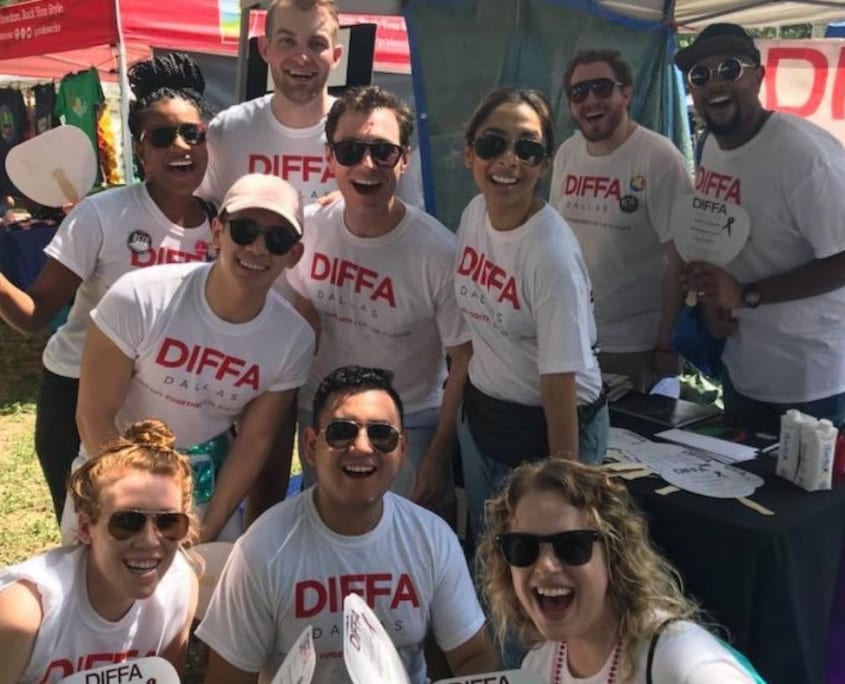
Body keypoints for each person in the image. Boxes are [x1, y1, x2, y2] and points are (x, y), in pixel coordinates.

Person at [0, 53, 213, 523]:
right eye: (162, 136)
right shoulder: (102, 215)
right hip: (77, 393)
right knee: (89, 532)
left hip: (166, 401)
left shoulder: (225, 225)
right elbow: (35, 315)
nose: (180, 146)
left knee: (160, 529)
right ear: (140, 150)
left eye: (192, 133)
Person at [196, 365, 500, 683]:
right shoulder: (261, 548)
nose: (363, 447)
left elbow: (473, 655)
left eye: (381, 435)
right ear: (311, 446)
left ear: (402, 449)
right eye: (342, 432)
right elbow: (226, 678)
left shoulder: (433, 538)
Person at [70, 173, 315, 544]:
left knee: (206, 581)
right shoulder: (139, 298)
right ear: (217, 232)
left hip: (205, 485)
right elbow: (94, 416)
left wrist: (205, 530)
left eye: (277, 239)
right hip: (112, 470)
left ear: (294, 255)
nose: (258, 248)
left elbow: (254, 442)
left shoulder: (293, 338)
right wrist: (135, 510)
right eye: (244, 230)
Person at [287, 85, 471, 515]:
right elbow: (296, 311)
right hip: (323, 415)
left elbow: (464, 358)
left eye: (383, 151)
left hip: (408, 421)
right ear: (329, 158)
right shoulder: (308, 228)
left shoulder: (438, 253)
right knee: (327, 528)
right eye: (350, 151)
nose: (366, 165)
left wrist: (438, 453)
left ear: (404, 159)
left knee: (402, 538)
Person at [676, 23, 845, 434]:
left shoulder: (804, 156)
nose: (715, 83)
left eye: (729, 69)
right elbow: (724, 239)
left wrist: (749, 295)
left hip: (812, 383)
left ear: (758, 76)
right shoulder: (709, 145)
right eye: (700, 75)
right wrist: (712, 303)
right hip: (743, 371)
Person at [454, 87, 607, 538]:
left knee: (538, 554)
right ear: (469, 154)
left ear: (545, 163)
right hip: (485, 421)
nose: (508, 160)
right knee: (488, 551)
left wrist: (563, 488)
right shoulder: (474, 213)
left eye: (527, 148)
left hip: (549, 431)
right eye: (492, 143)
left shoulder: (550, 255)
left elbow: (559, 387)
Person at [477, 458, 759, 682]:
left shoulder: (681, 661)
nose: (546, 565)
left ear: (613, 554)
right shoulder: (539, 665)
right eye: (523, 547)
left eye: (572, 545)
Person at [0, 419, 198, 684]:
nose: (150, 541)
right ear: (85, 528)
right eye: (127, 522)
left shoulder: (180, 588)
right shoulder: (25, 611)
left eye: (168, 522)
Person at [550, 49, 691, 392]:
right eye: (578, 93)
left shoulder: (658, 158)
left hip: (635, 346)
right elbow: (556, 241)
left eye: (601, 87)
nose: (590, 100)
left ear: (625, 93)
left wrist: (666, 342)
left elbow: (682, 259)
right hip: (573, 337)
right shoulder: (567, 153)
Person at [198, 0, 422, 209]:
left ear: (336, 56)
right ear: (265, 48)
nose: (301, 58)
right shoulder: (227, 132)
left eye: (316, 44)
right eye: (287, 41)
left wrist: (365, 204)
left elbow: (406, 220)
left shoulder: (373, 135)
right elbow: (198, 218)